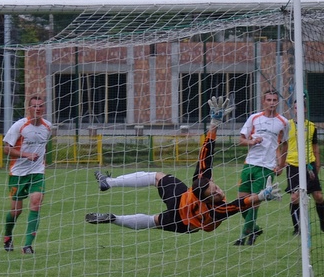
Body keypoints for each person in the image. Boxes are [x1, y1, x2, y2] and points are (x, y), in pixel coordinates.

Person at [85, 97, 282, 233]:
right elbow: (238, 204)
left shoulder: (202, 184)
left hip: (182, 204)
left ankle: (110, 183)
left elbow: (207, 153)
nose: (219, 190)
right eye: (215, 190)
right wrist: (261, 196)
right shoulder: (216, 209)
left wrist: (214, 124)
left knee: (157, 180)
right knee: (153, 219)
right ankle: (114, 217)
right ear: (208, 196)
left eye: (215, 188)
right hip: (186, 224)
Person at [233, 90, 289, 246]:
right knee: (241, 201)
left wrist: (281, 165)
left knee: (255, 201)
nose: (272, 103)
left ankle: (243, 237)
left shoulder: (283, 122)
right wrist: (252, 142)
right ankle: (255, 229)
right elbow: (241, 140)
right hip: (249, 163)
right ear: (263, 101)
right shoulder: (254, 118)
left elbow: (285, 145)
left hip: (267, 167)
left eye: (274, 100)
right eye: (269, 100)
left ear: (278, 102)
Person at [2, 96, 53, 254]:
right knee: (16, 211)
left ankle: (27, 246)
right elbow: (6, 149)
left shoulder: (48, 127)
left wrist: (40, 161)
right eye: (34, 106)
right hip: (18, 173)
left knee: (36, 204)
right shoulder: (19, 126)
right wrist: (26, 155)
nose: (37, 109)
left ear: (43, 109)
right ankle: (7, 236)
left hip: (37, 172)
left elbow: (43, 147)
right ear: (29, 108)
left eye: (40, 106)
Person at [286, 99, 324, 236]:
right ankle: (297, 229)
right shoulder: (287, 125)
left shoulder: (311, 126)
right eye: (296, 108)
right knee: (295, 197)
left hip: (309, 165)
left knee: (318, 196)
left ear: (305, 109)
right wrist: (281, 161)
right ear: (293, 109)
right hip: (293, 165)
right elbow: (281, 145)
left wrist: (317, 163)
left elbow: (315, 147)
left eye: (301, 107)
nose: (298, 110)